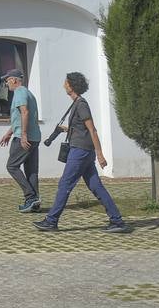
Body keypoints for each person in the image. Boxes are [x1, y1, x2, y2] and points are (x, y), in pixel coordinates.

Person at [34, 72, 129, 233]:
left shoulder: (81, 104)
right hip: (82, 150)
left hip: (80, 152)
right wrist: (66, 129)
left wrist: (100, 154)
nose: (63, 84)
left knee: (65, 184)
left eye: (65, 82)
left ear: (71, 85)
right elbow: (81, 128)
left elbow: (92, 130)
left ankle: (51, 221)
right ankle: (117, 220)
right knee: (96, 186)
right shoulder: (76, 103)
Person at [0, 69, 42, 212]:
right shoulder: (27, 93)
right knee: (31, 171)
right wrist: (8, 133)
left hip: (25, 138)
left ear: (14, 80)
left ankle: (31, 197)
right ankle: (34, 204)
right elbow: (18, 118)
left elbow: (25, 112)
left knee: (12, 166)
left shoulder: (20, 92)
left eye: (7, 80)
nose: (6, 83)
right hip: (34, 137)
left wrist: (23, 135)